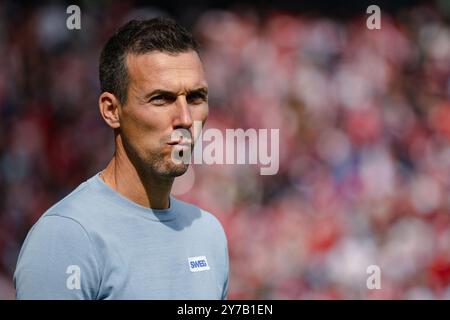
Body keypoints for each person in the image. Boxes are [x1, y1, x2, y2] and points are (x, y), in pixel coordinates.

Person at [13, 17, 229, 300]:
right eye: (161, 99)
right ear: (111, 110)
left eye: (196, 97)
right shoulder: (66, 237)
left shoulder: (207, 233)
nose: (185, 119)